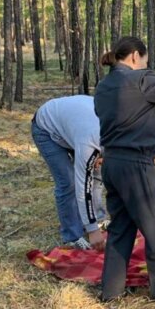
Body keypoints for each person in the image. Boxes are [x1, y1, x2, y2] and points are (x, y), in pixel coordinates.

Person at [94, 36, 155, 301]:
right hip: (136, 165)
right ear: (135, 56)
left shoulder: (103, 85)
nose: (145, 64)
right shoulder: (141, 81)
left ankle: (110, 290)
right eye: (146, 60)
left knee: (120, 228)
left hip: (111, 164)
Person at [31, 95, 108, 250]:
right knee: (69, 182)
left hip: (74, 124)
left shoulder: (119, 129)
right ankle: (72, 235)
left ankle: (97, 218)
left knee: (97, 173)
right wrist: (93, 232)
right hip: (47, 128)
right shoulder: (90, 141)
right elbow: (82, 184)